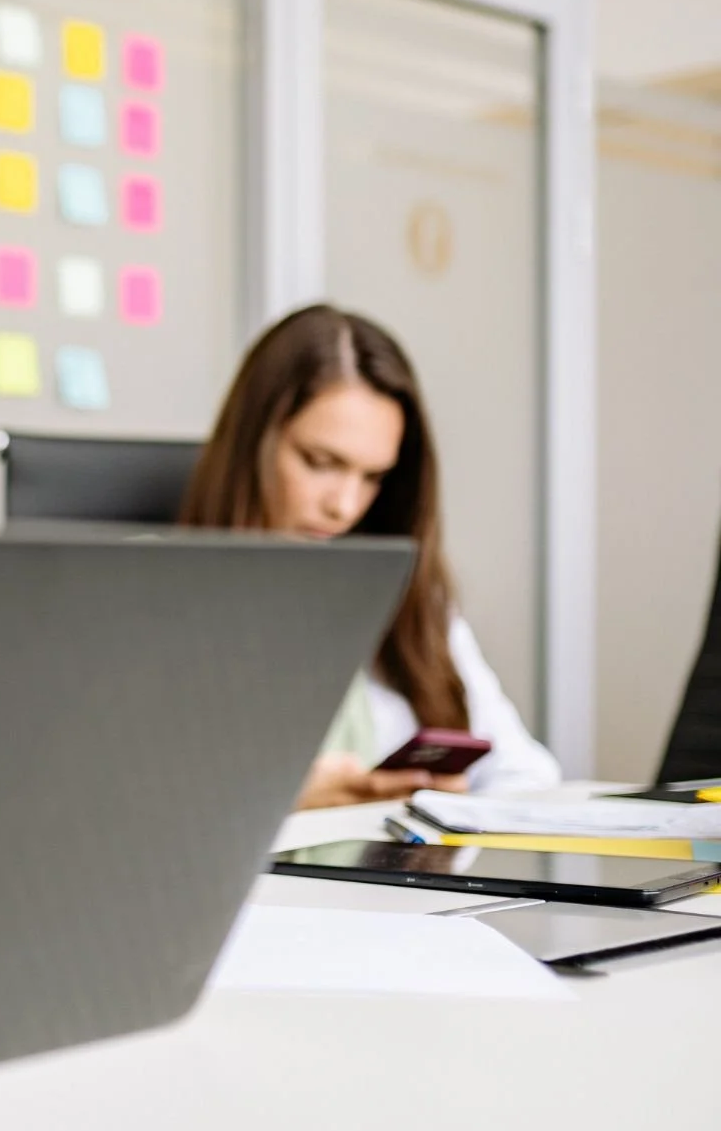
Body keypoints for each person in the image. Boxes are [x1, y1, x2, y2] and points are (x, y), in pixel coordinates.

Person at [180, 304, 560, 809]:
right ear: (252, 442)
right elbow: (104, 814)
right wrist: (278, 805)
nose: (344, 505)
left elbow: (524, 774)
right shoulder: (143, 598)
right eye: (320, 463)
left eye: (373, 477)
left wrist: (450, 808)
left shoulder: (407, 600)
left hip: (405, 885)